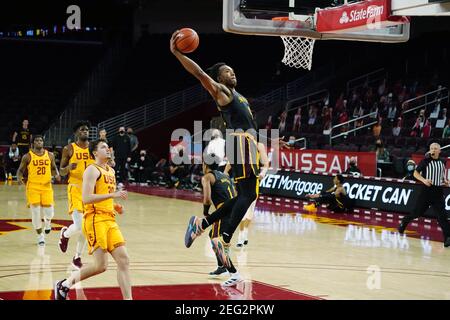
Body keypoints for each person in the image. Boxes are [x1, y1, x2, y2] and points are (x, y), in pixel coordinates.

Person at [171, 30, 266, 287]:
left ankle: (203, 224)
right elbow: (199, 73)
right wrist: (178, 53)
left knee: (239, 197)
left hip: (245, 144)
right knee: (250, 194)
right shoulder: (221, 91)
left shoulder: (241, 96)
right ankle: (224, 239)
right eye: (226, 71)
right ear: (218, 78)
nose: (231, 73)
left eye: (232, 70)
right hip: (240, 143)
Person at [54, 139, 131, 300]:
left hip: (110, 219)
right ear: (95, 153)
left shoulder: (110, 170)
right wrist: (113, 194)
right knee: (100, 266)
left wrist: (115, 205)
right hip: (95, 221)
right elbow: (86, 198)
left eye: (108, 146)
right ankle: (65, 285)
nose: (108, 149)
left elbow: (104, 196)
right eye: (103, 147)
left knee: (123, 260)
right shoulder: (92, 170)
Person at [58, 121, 95, 269]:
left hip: (91, 190)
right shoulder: (69, 149)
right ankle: (65, 234)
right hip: (75, 188)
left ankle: (77, 257)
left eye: (87, 129)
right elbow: (61, 172)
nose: (85, 131)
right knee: (80, 225)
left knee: (86, 227)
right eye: (82, 130)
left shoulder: (93, 148)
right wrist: (67, 168)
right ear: (76, 133)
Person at [398, 143, 450, 247]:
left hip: (438, 192)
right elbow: (415, 173)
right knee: (416, 213)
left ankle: (447, 238)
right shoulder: (425, 161)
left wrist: (445, 181)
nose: (433, 150)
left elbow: (441, 175)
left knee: (442, 216)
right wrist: (424, 180)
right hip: (426, 191)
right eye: (431, 149)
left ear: (439, 151)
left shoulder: (442, 162)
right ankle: (404, 221)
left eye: (435, 149)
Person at [17, 135, 61, 245]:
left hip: (46, 187)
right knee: (35, 213)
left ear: (43, 142)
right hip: (33, 187)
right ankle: (40, 236)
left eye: (41, 140)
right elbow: (20, 170)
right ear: (33, 143)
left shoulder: (50, 155)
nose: (39, 142)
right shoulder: (27, 156)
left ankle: (47, 223)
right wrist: (18, 178)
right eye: (36, 140)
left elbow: (54, 167)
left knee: (49, 212)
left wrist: (57, 175)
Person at [201, 156, 237, 279]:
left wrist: (206, 213)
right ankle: (222, 266)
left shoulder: (207, 177)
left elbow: (207, 199)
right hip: (235, 209)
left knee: (216, 239)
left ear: (205, 164)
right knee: (214, 235)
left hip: (224, 210)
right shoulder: (225, 176)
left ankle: (231, 270)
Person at [237, 142, 269, 247]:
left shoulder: (259, 145)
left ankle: (245, 231)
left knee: (250, 211)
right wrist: (225, 172)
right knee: (241, 209)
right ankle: (240, 234)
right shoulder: (239, 143)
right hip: (241, 180)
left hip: (253, 181)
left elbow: (266, 164)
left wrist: (263, 173)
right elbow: (230, 161)